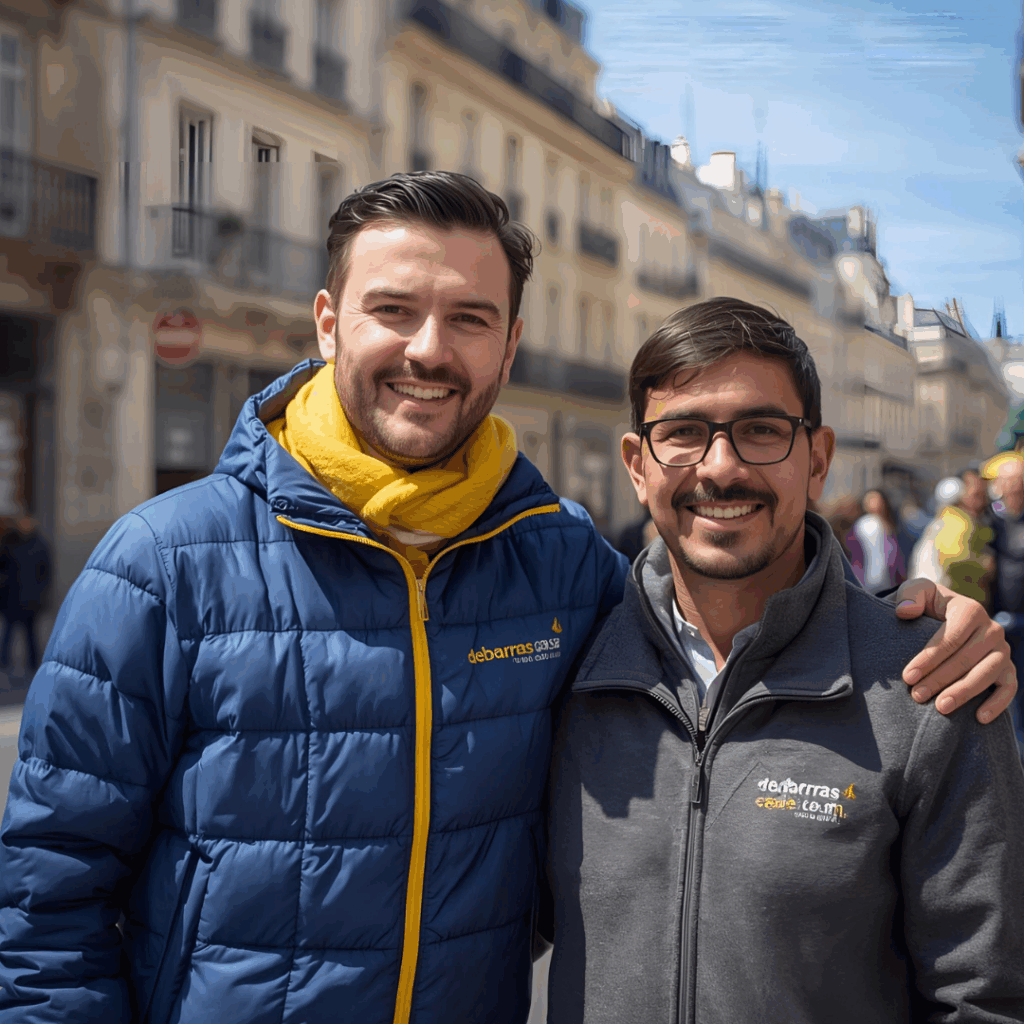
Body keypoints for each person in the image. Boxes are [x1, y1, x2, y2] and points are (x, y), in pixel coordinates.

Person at [0, 176, 1013, 1024]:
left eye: (468, 319)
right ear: (325, 322)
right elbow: (47, 900)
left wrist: (916, 624)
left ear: (510, 344)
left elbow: (733, 618)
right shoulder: (162, 563)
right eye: (392, 309)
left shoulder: (563, 567)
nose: (429, 349)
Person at [545, 298, 1024, 1024]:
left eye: (761, 432)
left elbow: (984, 999)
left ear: (819, 460)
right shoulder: (566, 673)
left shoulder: (928, 690)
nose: (722, 468)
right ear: (638, 467)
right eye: (683, 434)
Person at [910, 473, 994, 607]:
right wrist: (984, 565)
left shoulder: (945, 518)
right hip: (955, 600)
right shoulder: (959, 521)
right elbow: (952, 558)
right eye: (977, 495)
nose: (983, 501)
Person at [988, 454, 1024, 753]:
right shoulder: (990, 519)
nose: (1016, 488)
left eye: (1020, 482)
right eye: (1011, 482)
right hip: (995, 618)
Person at [0, 517, 51, 673]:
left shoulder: (40, 545)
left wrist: (40, 593)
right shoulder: (11, 544)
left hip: (31, 598)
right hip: (12, 596)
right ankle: (4, 663)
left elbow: (45, 573)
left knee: (30, 635)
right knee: (9, 632)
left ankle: (33, 665)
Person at [845, 488, 906, 594]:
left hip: (887, 579)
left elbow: (895, 554)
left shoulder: (888, 525)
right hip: (865, 579)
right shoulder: (862, 524)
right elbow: (855, 553)